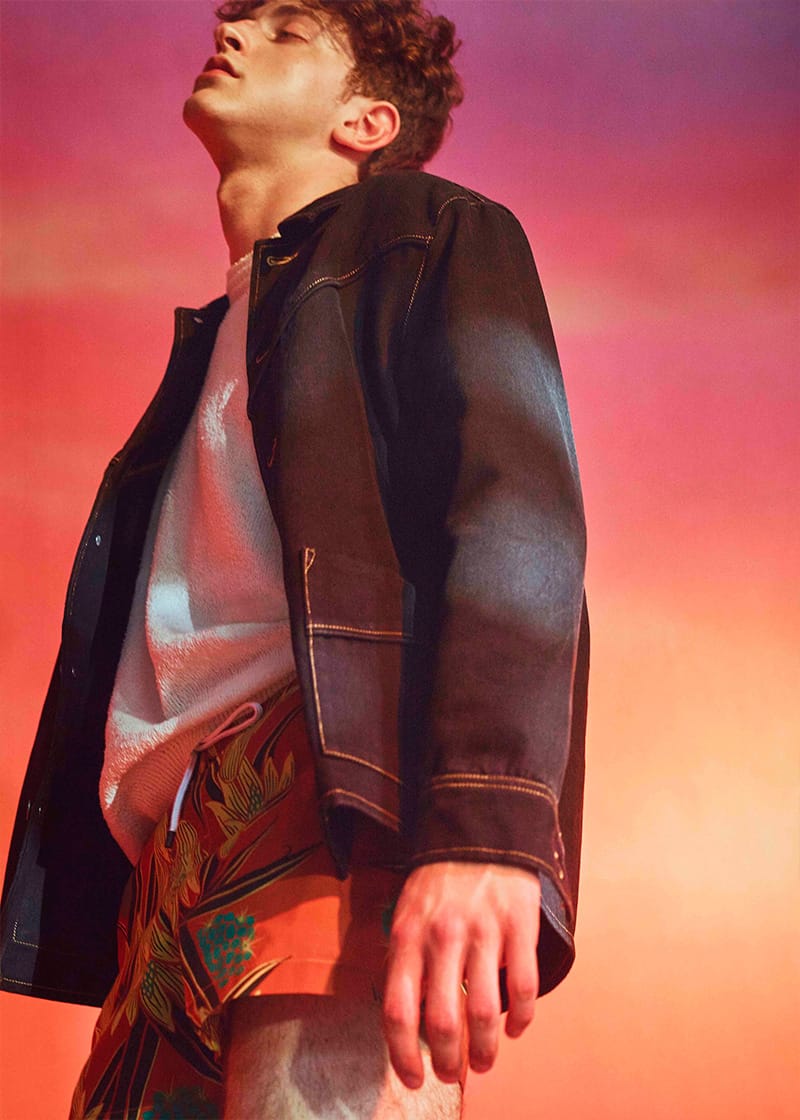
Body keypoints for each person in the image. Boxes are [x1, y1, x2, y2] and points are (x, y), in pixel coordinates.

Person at [0, 1, 589, 1116]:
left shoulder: (434, 230)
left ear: (366, 121)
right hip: (168, 870)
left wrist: (487, 831)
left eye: (285, 31)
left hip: (334, 803)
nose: (231, 34)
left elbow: (517, 514)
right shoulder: (215, 347)